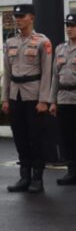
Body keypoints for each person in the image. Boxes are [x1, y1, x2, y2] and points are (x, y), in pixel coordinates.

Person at [2, 4, 53, 193]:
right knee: (20, 136)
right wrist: (5, 98)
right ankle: (24, 176)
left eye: (21, 16)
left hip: (34, 95)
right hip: (16, 94)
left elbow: (47, 73)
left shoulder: (42, 42)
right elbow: (7, 72)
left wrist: (44, 100)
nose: (18, 19)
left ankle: (37, 178)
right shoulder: (10, 42)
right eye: (16, 16)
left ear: (31, 17)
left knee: (36, 137)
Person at [50, 13, 76, 186]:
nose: (69, 29)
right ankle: (72, 171)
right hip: (64, 99)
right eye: (67, 26)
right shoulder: (60, 49)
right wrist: (52, 101)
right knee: (67, 137)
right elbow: (54, 77)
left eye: (72, 26)